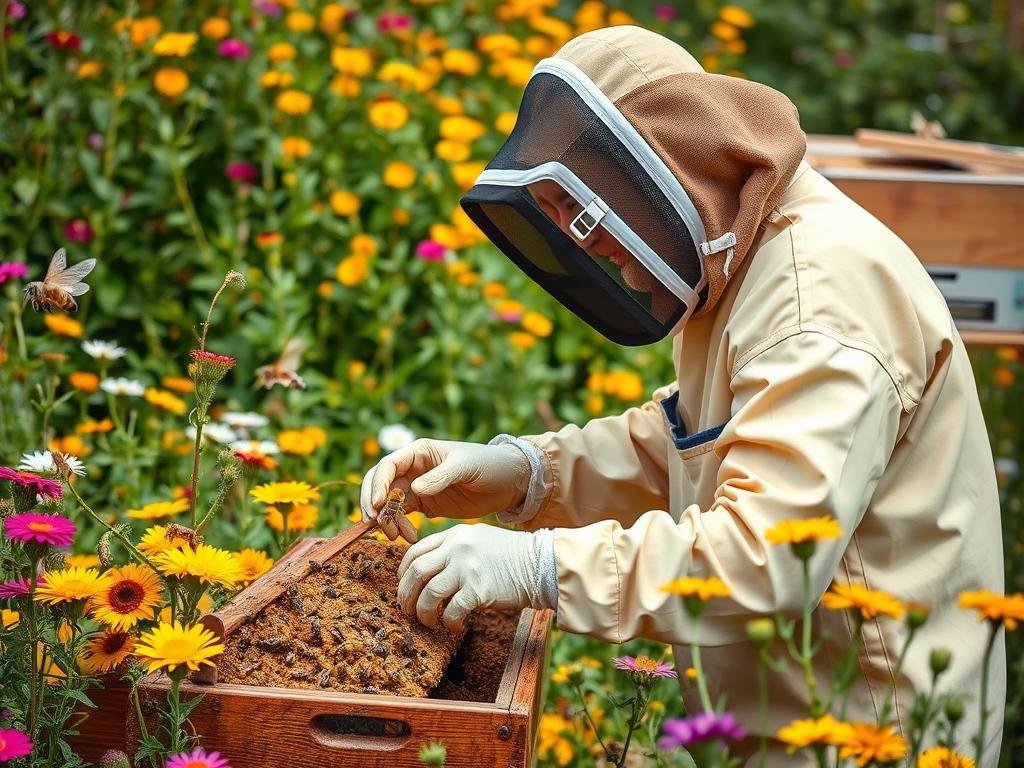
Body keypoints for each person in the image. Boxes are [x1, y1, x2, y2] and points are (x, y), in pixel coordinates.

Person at [360, 25, 1006, 765]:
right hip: (790, 720)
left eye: (585, 206)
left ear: (656, 169)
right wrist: (529, 472)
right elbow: (691, 440)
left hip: (870, 734)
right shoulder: (743, 256)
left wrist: (539, 566)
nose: (583, 240)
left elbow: (768, 557)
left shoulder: (815, 304)